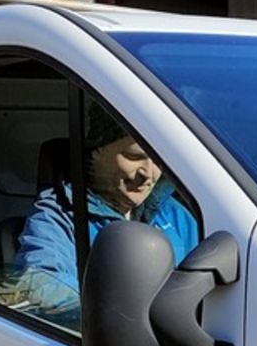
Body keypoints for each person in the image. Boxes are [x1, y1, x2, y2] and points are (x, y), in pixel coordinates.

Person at [10, 105, 201, 330]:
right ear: (95, 153)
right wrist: (127, 317)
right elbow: (39, 282)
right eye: (133, 157)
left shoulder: (174, 213)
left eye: (157, 161)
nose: (149, 175)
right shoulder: (58, 216)